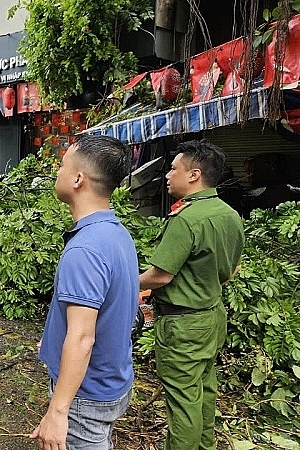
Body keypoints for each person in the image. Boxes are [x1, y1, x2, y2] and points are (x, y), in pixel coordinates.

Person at [30, 135, 138, 449]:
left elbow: (82, 337)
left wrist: (58, 411)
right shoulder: (115, 233)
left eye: (63, 165)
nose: (57, 171)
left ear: (79, 179)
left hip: (85, 396)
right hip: (112, 382)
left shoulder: (85, 249)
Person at [139, 140, 244, 450]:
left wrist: (129, 283)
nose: (168, 175)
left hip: (183, 325)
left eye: (174, 169)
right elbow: (232, 271)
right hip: (212, 316)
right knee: (204, 392)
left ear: (194, 175)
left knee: (183, 400)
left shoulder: (186, 219)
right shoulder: (229, 215)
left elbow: (161, 274)